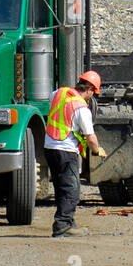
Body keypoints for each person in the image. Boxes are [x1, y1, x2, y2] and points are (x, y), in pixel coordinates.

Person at [44, 70, 104, 237]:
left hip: (49, 147)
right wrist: (96, 150)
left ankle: (69, 222)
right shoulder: (81, 108)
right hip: (65, 151)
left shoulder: (60, 93)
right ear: (90, 89)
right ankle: (62, 226)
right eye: (94, 93)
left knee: (61, 187)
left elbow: (52, 101)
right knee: (71, 190)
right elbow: (90, 138)